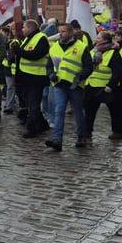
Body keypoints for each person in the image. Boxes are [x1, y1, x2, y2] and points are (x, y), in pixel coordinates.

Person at [46, 21, 93, 151]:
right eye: (59, 32)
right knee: (59, 111)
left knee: (78, 111)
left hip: (75, 85)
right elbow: (49, 66)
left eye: (63, 31)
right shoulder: (54, 47)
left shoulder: (82, 47)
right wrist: (51, 74)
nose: (60, 34)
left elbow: (89, 67)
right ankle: (57, 139)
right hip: (59, 84)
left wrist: (79, 77)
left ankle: (81, 136)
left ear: (71, 32)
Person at [83, 29, 122, 140]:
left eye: (98, 38)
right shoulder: (93, 51)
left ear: (105, 40)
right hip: (91, 85)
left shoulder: (113, 53)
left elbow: (118, 72)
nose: (96, 39)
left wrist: (111, 86)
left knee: (115, 111)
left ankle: (117, 132)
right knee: (89, 111)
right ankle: (87, 130)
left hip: (107, 88)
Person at [12, 19, 52, 138]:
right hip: (27, 78)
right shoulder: (27, 39)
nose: (22, 30)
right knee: (31, 104)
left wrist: (18, 51)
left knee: (33, 105)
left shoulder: (41, 38)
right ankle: (43, 125)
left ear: (30, 28)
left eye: (24, 27)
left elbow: (35, 55)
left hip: (36, 78)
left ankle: (31, 129)